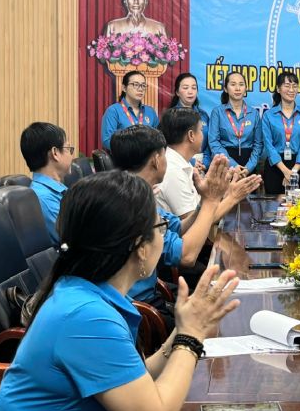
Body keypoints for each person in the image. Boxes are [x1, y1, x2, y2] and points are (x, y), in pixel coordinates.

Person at [0, 171, 240, 411]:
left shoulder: (88, 293)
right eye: (161, 228)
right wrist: (191, 336)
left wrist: (182, 328)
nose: (164, 234)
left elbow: (137, 376)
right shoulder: (86, 317)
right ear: (140, 248)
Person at [110, 126, 259, 328]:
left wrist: (205, 201)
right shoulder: (132, 202)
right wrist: (215, 200)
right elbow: (187, 256)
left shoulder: (133, 191)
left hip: (152, 294)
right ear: (156, 159)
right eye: (164, 155)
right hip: (140, 309)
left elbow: (179, 228)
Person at [20, 122, 74, 245]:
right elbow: (76, 242)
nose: (72, 155)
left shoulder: (57, 189)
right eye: (69, 149)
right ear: (55, 153)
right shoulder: (43, 199)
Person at [261, 71, 300, 195]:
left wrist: (293, 172)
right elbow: (268, 145)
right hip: (275, 166)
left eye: (294, 86)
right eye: (287, 86)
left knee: (299, 209)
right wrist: (285, 171)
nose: (291, 90)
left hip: (298, 166)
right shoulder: (268, 115)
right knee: (273, 208)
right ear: (278, 89)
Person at [208, 71, 262, 175]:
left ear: (245, 88)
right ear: (225, 89)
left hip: (248, 164)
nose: (238, 88)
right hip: (225, 163)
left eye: (241, 84)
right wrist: (232, 165)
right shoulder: (218, 112)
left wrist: (249, 168)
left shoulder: (254, 113)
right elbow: (214, 142)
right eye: (233, 84)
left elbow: (258, 144)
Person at [155, 108, 204, 217]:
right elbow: (195, 223)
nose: (202, 135)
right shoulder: (172, 170)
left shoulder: (180, 162)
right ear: (191, 135)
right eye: (201, 130)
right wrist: (232, 197)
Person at [100, 71, 160, 150]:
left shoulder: (150, 112)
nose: (140, 89)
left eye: (143, 85)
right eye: (135, 85)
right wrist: (132, 149)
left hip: (147, 159)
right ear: (124, 88)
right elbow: (107, 141)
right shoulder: (113, 111)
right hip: (124, 159)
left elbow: (158, 137)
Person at [169, 72, 211, 170]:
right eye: (185, 87)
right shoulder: (171, 116)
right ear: (177, 92)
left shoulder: (203, 115)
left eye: (193, 87)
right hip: (179, 163)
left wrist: (205, 163)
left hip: (202, 166)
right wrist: (191, 162)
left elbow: (209, 144)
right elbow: (169, 145)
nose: (190, 91)